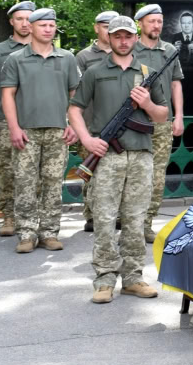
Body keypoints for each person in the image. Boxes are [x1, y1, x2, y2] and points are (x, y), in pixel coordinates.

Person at [68, 15, 167, 304]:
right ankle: (105, 279)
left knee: (136, 218)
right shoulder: (95, 72)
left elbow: (162, 115)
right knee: (104, 217)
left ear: (136, 38)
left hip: (141, 155)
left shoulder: (150, 72)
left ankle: (134, 277)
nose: (123, 41)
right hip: (107, 156)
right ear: (108, 39)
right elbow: (75, 109)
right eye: (117, 36)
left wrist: (147, 103)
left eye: (128, 36)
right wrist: (87, 139)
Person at [0, 8, 79, 254]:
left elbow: (76, 95)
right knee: (24, 181)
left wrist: (74, 125)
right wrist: (13, 127)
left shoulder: (66, 58)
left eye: (52, 26)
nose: (48, 29)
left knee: (53, 183)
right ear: (31, 27)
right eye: (43, 25)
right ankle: (26, 233)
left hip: (57, 130)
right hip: (26, 132)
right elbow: (8, 95)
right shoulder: (15, 59)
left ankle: (49, 233)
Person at [0, 0, 34, 236]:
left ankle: (33, 218)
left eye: (29, 19)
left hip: (36, 120)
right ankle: (9, 217)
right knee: (7, 169)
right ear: (11, 21)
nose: (25, 24)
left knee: (36, 172)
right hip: (4, 120)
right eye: (20, 19)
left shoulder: (44, 49)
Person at [134, 4, 185, 244]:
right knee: (134, 175)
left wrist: (179, 117)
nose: (157, 25)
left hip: (162, 122)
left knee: (157, 177)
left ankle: (146, 223)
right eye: (152, 21)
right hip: (135, 122)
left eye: (160, 21)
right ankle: (131, 222)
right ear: (141, 23)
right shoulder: (130, 50)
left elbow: (176, 84)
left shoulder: (169, 50)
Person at [75, 10, 118, 232]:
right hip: (92, 125)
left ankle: (116, 215)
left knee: (118, 172)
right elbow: (78, 93)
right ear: (96, 28)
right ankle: (92, 215)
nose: (109, 29)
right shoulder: (83, 57)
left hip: (120, 125)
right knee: (92, 173)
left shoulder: (126, 53)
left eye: (113, 26)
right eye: (104, 25)